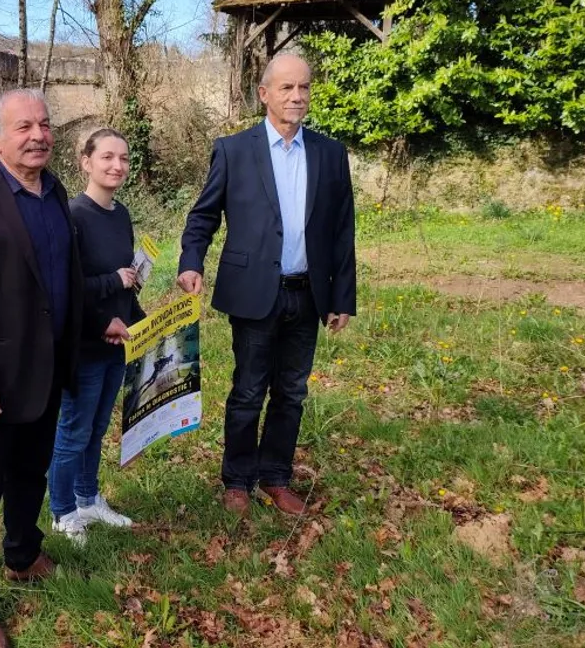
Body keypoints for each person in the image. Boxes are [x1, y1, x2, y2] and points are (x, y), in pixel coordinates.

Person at [0, 90, 127, 648]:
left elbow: (58, 287)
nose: (39, 134)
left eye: (44, 124)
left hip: (47, 372)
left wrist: (96, 326)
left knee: (30, 475)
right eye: (24, 127)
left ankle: (22, 553)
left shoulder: (56, 198)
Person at [177, 53, 356, 518]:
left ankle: (275, 477)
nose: (297, 97)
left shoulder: (330, 154)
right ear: (264, 94)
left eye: (304, 88)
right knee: (248, 390)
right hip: (256, 291)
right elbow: (203, 215)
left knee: (292, 392)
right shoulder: (234, 150)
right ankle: (237, 479)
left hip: (308, 291)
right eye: (286, 88)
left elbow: (342, 230)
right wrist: (190, 261)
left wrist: (341, 297)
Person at [49, 129, 144, 545]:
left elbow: (126, 281)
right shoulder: (72, 217)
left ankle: (87, 499)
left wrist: (139, 319)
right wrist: (111, 284)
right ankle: (62, 511)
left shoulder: (120, 214)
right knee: (73, 430)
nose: (117, 166)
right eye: (107, 157)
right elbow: (61, 288)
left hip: (117, 343)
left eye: (123, 158)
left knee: (98, 427)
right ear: (86, 162)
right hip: (85, 345)